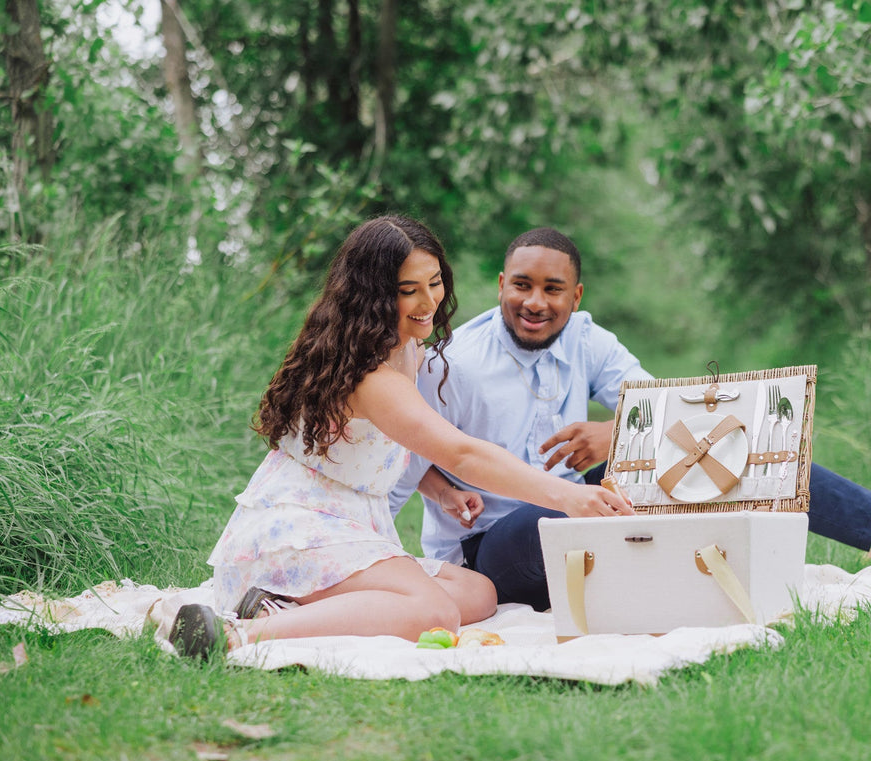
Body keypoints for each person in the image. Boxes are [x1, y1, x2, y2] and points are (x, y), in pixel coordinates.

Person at [389, 227, 871, 611]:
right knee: (562, 505)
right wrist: (435, 492)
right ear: (500, 284)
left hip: (585, 520)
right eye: (521, 285)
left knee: (713, 450)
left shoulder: (586, 338)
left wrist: (616, 431)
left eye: (553, 289)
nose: (535, 302)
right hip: (496, 551)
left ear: (575, 297)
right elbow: (400, 455)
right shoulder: (453, 361)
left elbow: (669, 415)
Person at [167, 217, 633, 659]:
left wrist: (441, 489)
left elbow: (379, 446)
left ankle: (281, 607)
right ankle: (237, 634)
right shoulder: (371, 375)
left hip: (350, 523)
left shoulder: (406, 348)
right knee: (437, 613)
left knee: (478, 592)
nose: (428, 301)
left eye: (434, 282)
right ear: (373, 295)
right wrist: (570, 497)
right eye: (408, 290)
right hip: (296, 531)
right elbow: (462, 452)